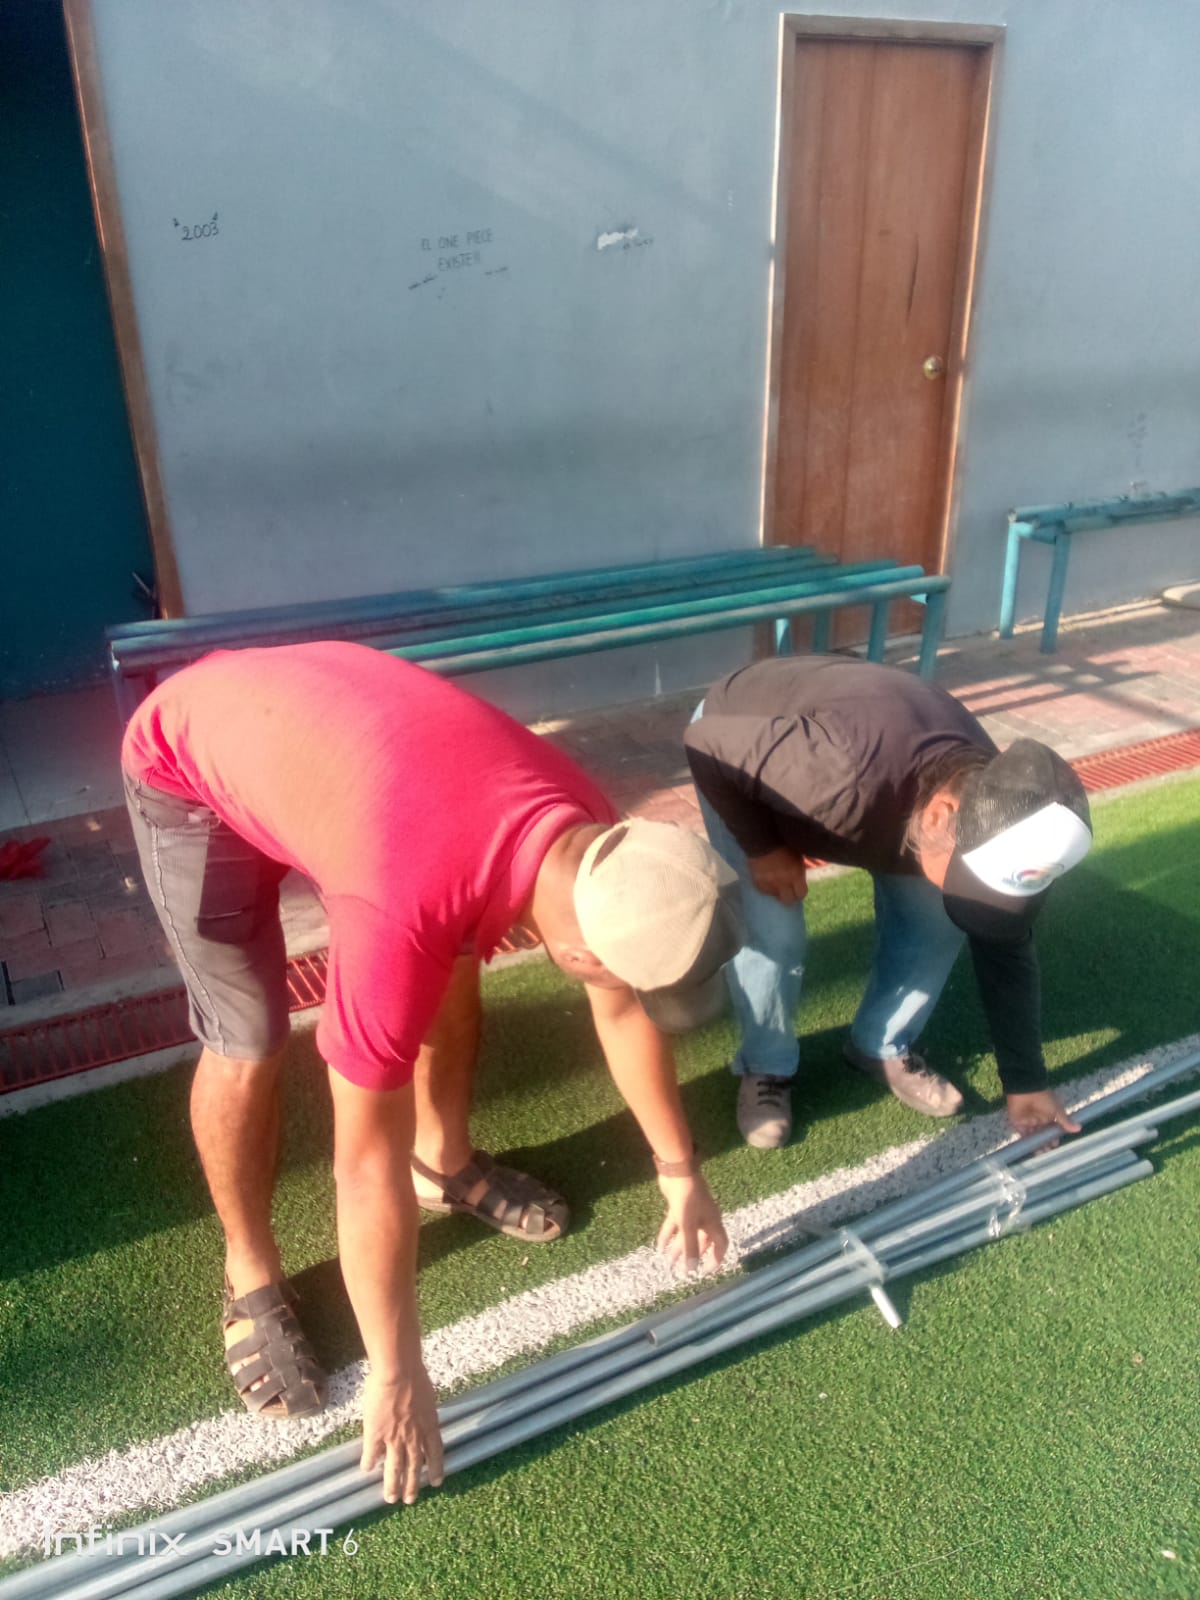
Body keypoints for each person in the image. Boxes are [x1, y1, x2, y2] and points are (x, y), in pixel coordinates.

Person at [121, 642, 744, 1506]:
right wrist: (398, 1369)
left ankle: (444, 1164)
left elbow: (621, 1008)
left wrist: (679, 1170)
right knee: (249, 1035)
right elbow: (361, 1162)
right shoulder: (397, 907)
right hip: (192, 757)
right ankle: (249, 1268)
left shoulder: (606, 848)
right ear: (578, 953)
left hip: (351, 764)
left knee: (452, 960)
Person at [683, 655, 1093, 1151]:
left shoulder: (1010, 814)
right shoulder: (835, 772)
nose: (980, 897)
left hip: (875, 775)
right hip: (743, 755)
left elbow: (1002, 945)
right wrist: (763, 846)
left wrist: (1025, 1082)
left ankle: (879, 1045)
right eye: (973, 878)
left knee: (940, 920)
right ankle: (766, 1066)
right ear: (940, 817)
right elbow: (706, 744)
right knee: (773, 930)